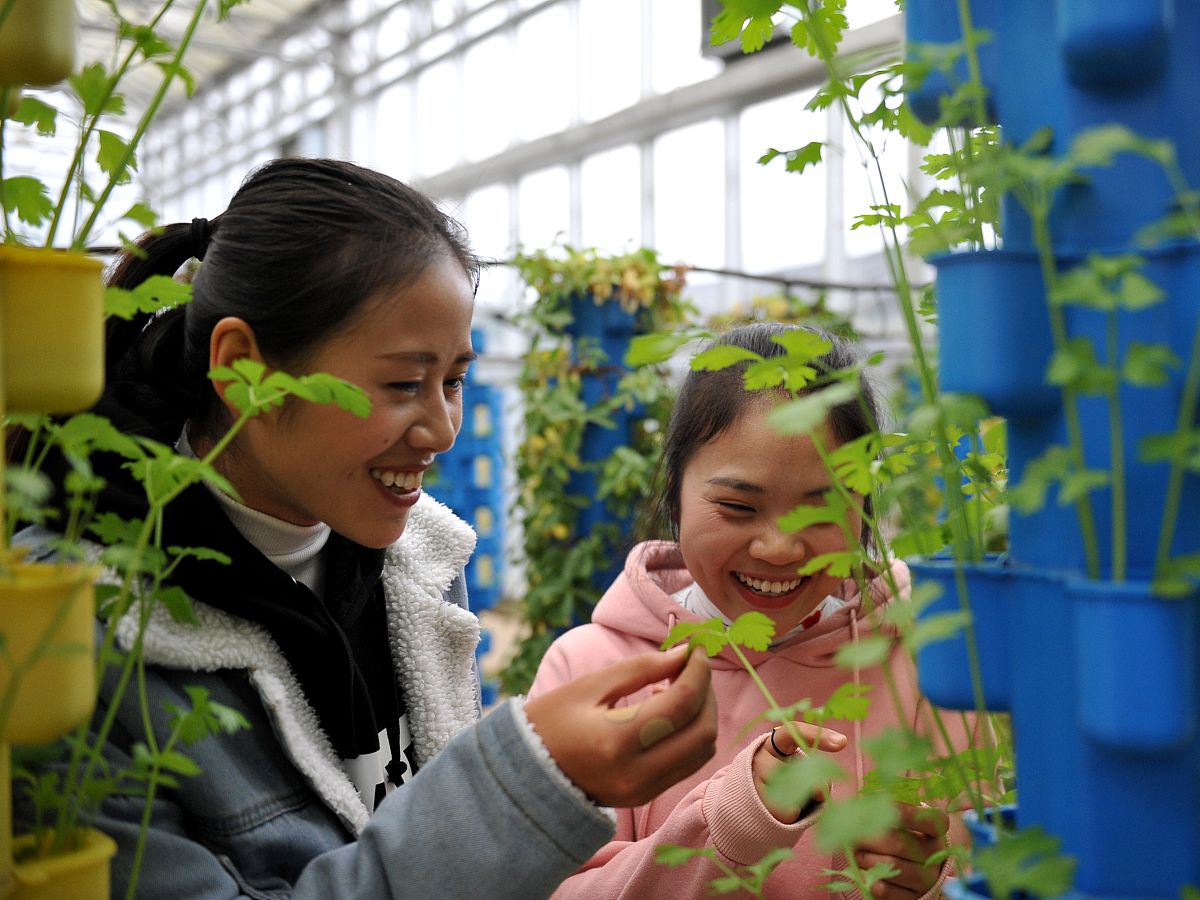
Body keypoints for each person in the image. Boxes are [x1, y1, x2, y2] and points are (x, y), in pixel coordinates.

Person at [13, 158, 717, 899]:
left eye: (453, 379)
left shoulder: (424, 557)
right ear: (245, 369)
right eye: (404, 383)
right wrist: (525, 789)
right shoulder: (72, 634)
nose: (443, 431)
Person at [529, 323, 974, 899]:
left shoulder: (926, 659)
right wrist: (728, 823)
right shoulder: (592, 671)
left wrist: (935, 881)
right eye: (738, 507)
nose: (779, 548)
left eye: (822, 508)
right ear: (675, 491)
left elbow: (985, 858)